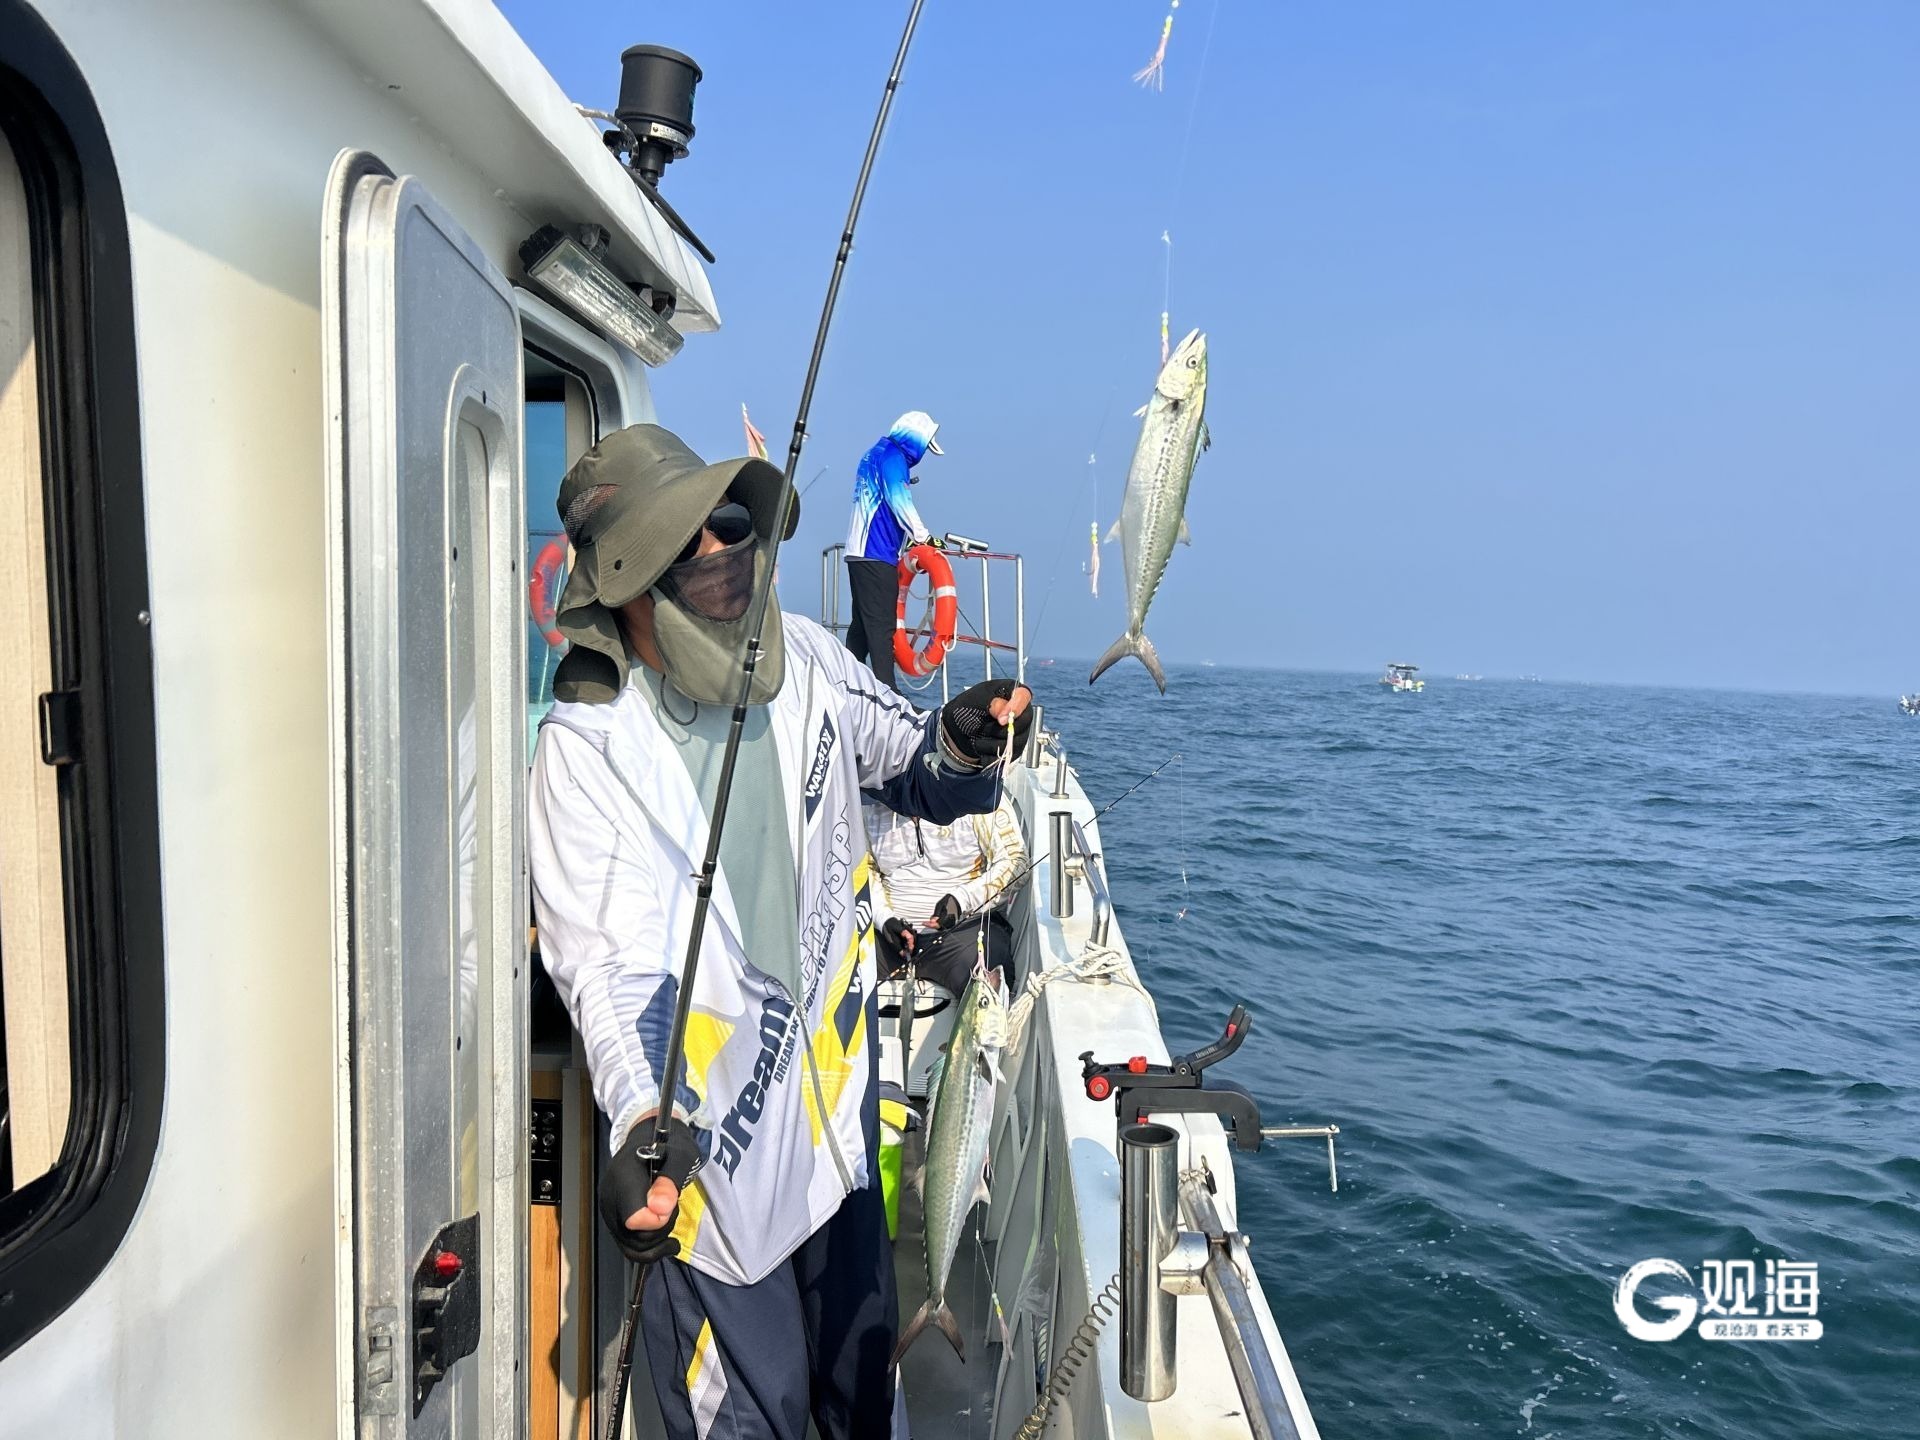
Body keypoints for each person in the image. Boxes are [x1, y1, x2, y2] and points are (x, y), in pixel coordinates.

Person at [528, 424, 1033, 1440]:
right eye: (683, 542)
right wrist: (642, 1122)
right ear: (621, 581)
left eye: (727, 522)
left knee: (860, 1408)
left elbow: (907, 757)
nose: (718, 552)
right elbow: (608, 970)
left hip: (841, 1148)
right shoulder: (585, 751)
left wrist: (962, 741)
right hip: (719, 1193)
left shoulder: (800, 654)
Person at [867, 792, 1025, 998]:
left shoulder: (980, 793)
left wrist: (961, 900)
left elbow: (1017, 862)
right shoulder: (865, 800)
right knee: (828, 971)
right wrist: (883, 919)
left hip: (965, 931)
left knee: (985, 992)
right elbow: (860, 870)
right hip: (887, 938)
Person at [842, 410, 943, 692]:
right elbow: (899, 501)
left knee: (862, 626)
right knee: (881, 625)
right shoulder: (893, 458)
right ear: (917, 441)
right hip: (875, 554)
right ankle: (888, 691)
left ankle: (847, 683)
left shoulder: (875, 453)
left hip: (859, 552)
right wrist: (923, 537)